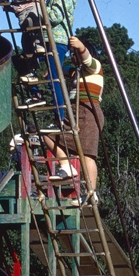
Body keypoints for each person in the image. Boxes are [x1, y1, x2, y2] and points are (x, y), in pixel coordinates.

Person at [42, 36, 104, 196]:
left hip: (88, 111)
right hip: (73, 112)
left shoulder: (95, 67)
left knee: (87, 154)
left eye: (74, 54)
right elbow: (62, 69)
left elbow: (87, 59)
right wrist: (51, 71)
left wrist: (80, 47)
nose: (73, 57)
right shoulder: (76, 71)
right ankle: (66, 164)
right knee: (48, 135)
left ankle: (91, 192)